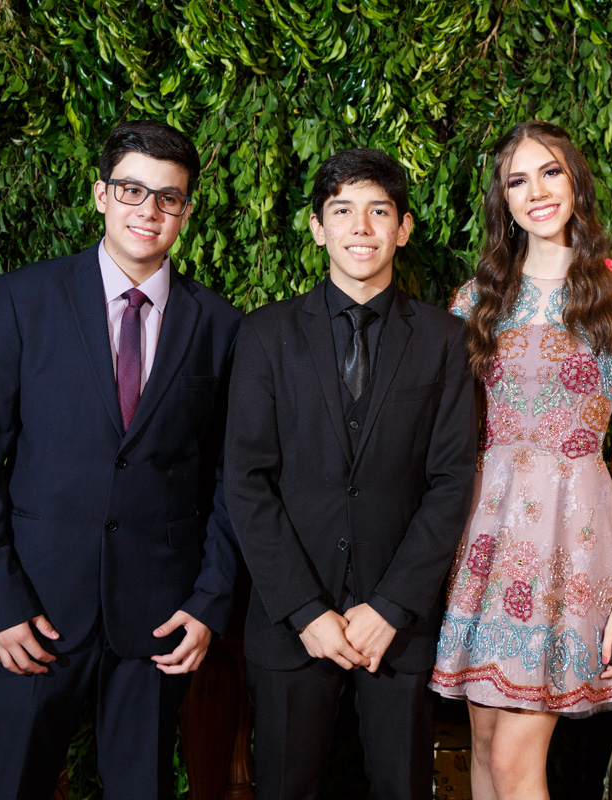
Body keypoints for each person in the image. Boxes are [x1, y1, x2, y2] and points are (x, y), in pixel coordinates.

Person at [0, 120, 242, 798]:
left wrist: (209, 602)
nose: (149, 211)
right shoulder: (25, 299)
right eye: (132, 190)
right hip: (34, 610)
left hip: (159, 618)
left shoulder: (221, 325)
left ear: (186, 210)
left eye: (168, 198)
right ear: (101, 195)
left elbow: (231, 480)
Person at [430, 120, 612, 799]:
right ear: (504, 201)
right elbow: (452, 437)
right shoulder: (475, 300)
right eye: (518, 180)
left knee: (514, 762)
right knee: (485, 750)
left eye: (550, 172)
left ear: (576, 182)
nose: (537, 192)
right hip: (484, 535)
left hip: (572, 536)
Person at [225, 148, 476, 800]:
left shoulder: (445, 340)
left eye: (378, 211)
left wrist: (391, 607)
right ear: (317, 227)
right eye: (342, 211)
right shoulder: (265, 334)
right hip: (290, 626)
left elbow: (452, 482)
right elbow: (246, 481)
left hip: (398, 629)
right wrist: (306, 611)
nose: (360, 227)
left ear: (404, 228)